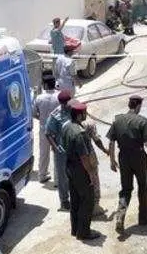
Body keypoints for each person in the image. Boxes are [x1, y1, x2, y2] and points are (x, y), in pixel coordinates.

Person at [108, 95, 147, 232]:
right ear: (138, 106)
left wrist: (111, 160)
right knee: (142, 187)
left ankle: (120, 216)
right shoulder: (143, 121)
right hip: (139, 157)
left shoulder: (117, 120)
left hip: (123, 158)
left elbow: (111, 142)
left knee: (126, 189)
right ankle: (143, 218)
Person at [60, 101, 101, 241]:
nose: (85, 115)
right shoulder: (80, 133)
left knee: (75, 199)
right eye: (84, 113)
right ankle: (84, 232)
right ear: (79, 115)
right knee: (87, 201)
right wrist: (91, 174)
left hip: (69, 167)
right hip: (80, 170)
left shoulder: (67, 127)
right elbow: (84, 157)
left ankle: (75, 229)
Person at [45, 90, 73, 211]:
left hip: (73, 148)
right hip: (62, 150)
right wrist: (56, 148)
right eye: (66, 103)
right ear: (62, 103)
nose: (67, 104)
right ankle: (64, 200)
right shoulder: (55, 115)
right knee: (62, 177)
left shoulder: (73, 110)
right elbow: (48, 133)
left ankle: (75, 196)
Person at [32, 74, 59, 184]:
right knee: (57, 153)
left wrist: (43, 119)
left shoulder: (39, 98)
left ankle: (42, 175)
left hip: (44, 129)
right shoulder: (59, 96)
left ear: (46, 85)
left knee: (43, 153)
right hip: (57, 129)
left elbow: (34, 113)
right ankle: (57, 180)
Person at [83, 120, 109, 217]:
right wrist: (105, 150)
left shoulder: (70, 124)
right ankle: (95, 206)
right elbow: (96, 140)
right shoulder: (89, 124)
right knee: (94, 180)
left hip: (76, 157)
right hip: (89, 155)